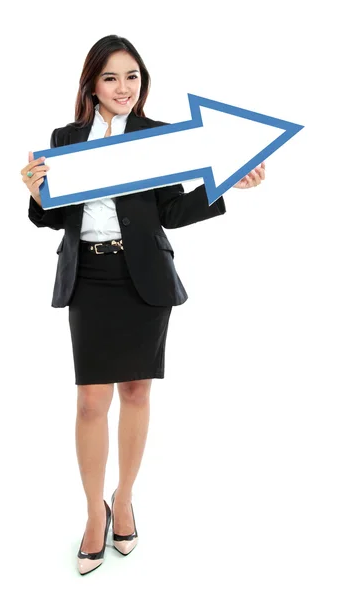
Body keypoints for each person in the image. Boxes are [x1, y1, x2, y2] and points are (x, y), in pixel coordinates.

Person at [21, 34, 266, 576]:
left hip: (143, 280)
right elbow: (56, 217)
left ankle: (124, 499)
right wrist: (38, 196)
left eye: (132, 76)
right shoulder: (67, 137)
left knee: (135, 391)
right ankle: (93, 513)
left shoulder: (156, 137)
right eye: (111, 77)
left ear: (143, 82)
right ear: (92, 85)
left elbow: (171, 212)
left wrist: (226, 185)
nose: (123, 87)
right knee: (90, 402)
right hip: (89, 275)